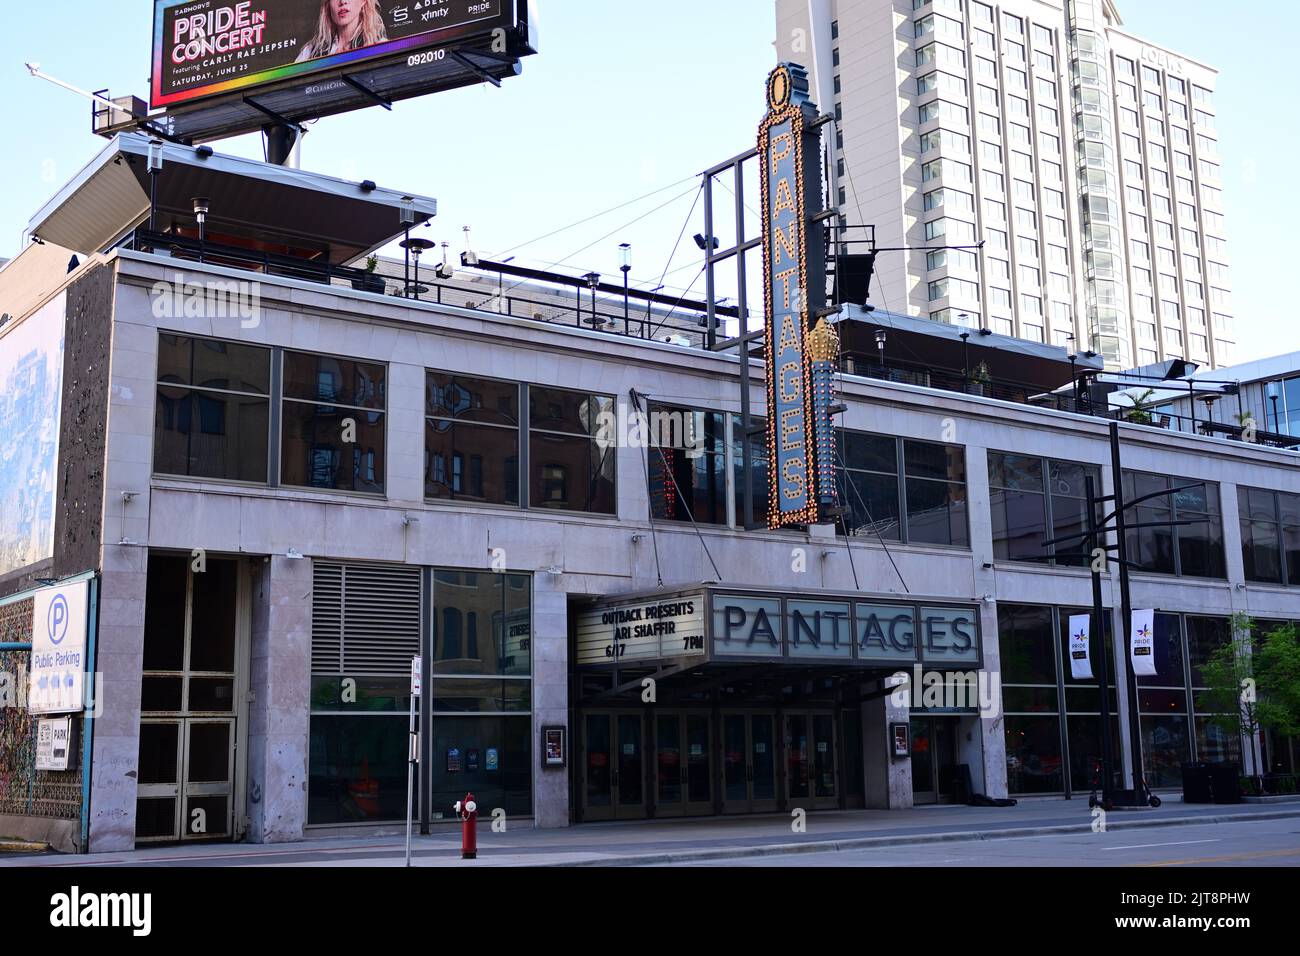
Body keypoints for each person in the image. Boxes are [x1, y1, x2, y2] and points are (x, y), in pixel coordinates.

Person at [296, 0, 388, 62]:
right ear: (328, 4)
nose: (342, 2)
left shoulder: (381, 46)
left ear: (363, 1)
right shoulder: (310, 52)